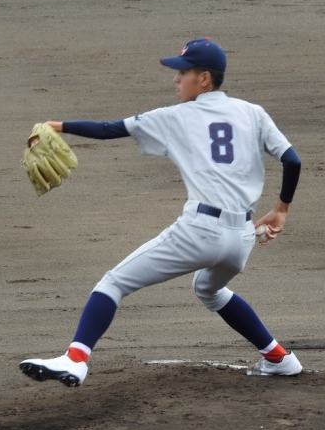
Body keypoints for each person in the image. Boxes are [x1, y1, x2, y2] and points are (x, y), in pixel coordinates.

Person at [20, 38, 303, 387]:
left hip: (200, 232)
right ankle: (279, 358)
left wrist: (56, 126)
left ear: (204, 78)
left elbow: (109, 129)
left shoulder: (174, 117)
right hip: (242, 238)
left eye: (183, 72)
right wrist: (280, 210)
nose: (176, 79)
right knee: (210, 290)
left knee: (113, 283)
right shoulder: (253, 113)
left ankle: (76, 359)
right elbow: (292, 160)